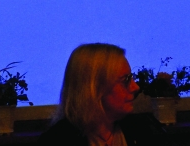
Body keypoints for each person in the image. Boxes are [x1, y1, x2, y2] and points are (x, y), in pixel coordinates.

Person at [38, 43, 167, 146]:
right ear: (94, 89)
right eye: (126, 80)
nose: (135, 87)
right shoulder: (58, 140)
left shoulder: (146, 130)